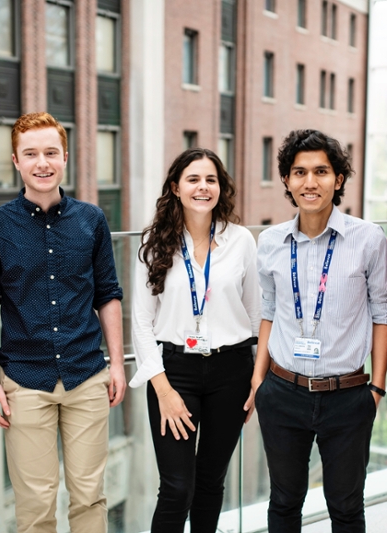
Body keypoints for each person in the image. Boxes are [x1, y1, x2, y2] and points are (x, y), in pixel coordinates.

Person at [0, 112, 125, 533]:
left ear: (65, 157)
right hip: (23, 380)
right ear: (16, 161)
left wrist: (116, 364)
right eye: (31, 154)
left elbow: (108, 293)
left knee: (90, 496)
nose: (43, 162)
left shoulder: (91, 220)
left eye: (51, 153)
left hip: (87, 375)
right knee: (35, 505)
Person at [253, 130, 387, 532]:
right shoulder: (271, 241)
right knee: (283, 502)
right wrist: (259, 380)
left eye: (320, 172)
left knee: (346, 507)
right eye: (299, 172)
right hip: (282, 392)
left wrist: (377, 389)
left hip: (347, 396)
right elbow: (268, 311)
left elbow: (383, 314)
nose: (309, 182)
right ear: (286, 181)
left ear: (339, 179)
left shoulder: (367, 239)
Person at [129, 148, 261, 532]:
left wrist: (256, 378)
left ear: (221, 188)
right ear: (175, 187)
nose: (203, 187)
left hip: (231, 371)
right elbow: (141, 321)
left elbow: (256, 316)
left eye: (211, 180)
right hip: (174, 373)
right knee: (176, 487)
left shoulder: (241, 241)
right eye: (193, 179)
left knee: (209, 483)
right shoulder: (154, 242)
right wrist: (163, 390)